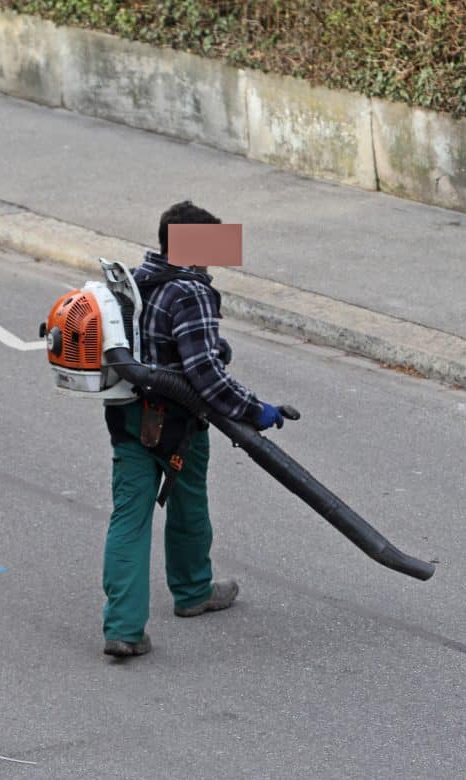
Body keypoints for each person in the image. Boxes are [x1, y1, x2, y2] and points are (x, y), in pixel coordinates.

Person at [101, 200, 284, 658]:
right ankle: (193, 592)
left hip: (128, 415)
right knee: (188, 506)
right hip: (178, 422)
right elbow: (204, 372)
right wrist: (254, 409)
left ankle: (123, 629)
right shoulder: (191, 293)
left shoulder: (135, 281)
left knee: (129, 519)